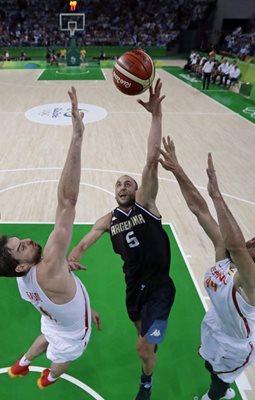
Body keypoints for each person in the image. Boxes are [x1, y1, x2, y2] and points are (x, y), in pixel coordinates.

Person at [157, 137, 255, 400]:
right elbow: (199, 210)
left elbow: (237, 245)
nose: (251, 241)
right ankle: (219, 384)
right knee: (209, 364)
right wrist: (178, 169)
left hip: (238, 343)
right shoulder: (227, 255)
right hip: (216, 324)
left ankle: (216, 397)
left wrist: (217, 194)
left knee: (218, 379)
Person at [0, 87, 101, 389]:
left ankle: (22, 363)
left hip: (52, 319)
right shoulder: (49, 266)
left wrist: (64, 271)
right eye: (20, 247)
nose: (25, 240)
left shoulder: (20, 276)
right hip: (72, 332)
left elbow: (53, 280)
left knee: (46, 334)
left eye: (18, 239)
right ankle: (47, 377)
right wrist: (77, 136)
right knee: (62, 357)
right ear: (21, 266)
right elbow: (68, 201)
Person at [68, 79, 172, 400]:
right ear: (115, 193)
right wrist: (73, 256)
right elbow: (85, 242)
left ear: (137, 189)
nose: (124, 187)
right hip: (133, 290)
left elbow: (151, 158)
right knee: (143, 338)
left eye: (128, 183)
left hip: (160, 291)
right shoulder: (109, 220)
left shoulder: (147, 205)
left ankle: (146, 380)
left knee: (144, 346)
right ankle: (149, 355)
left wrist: (155, 116)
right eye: (119, 185)